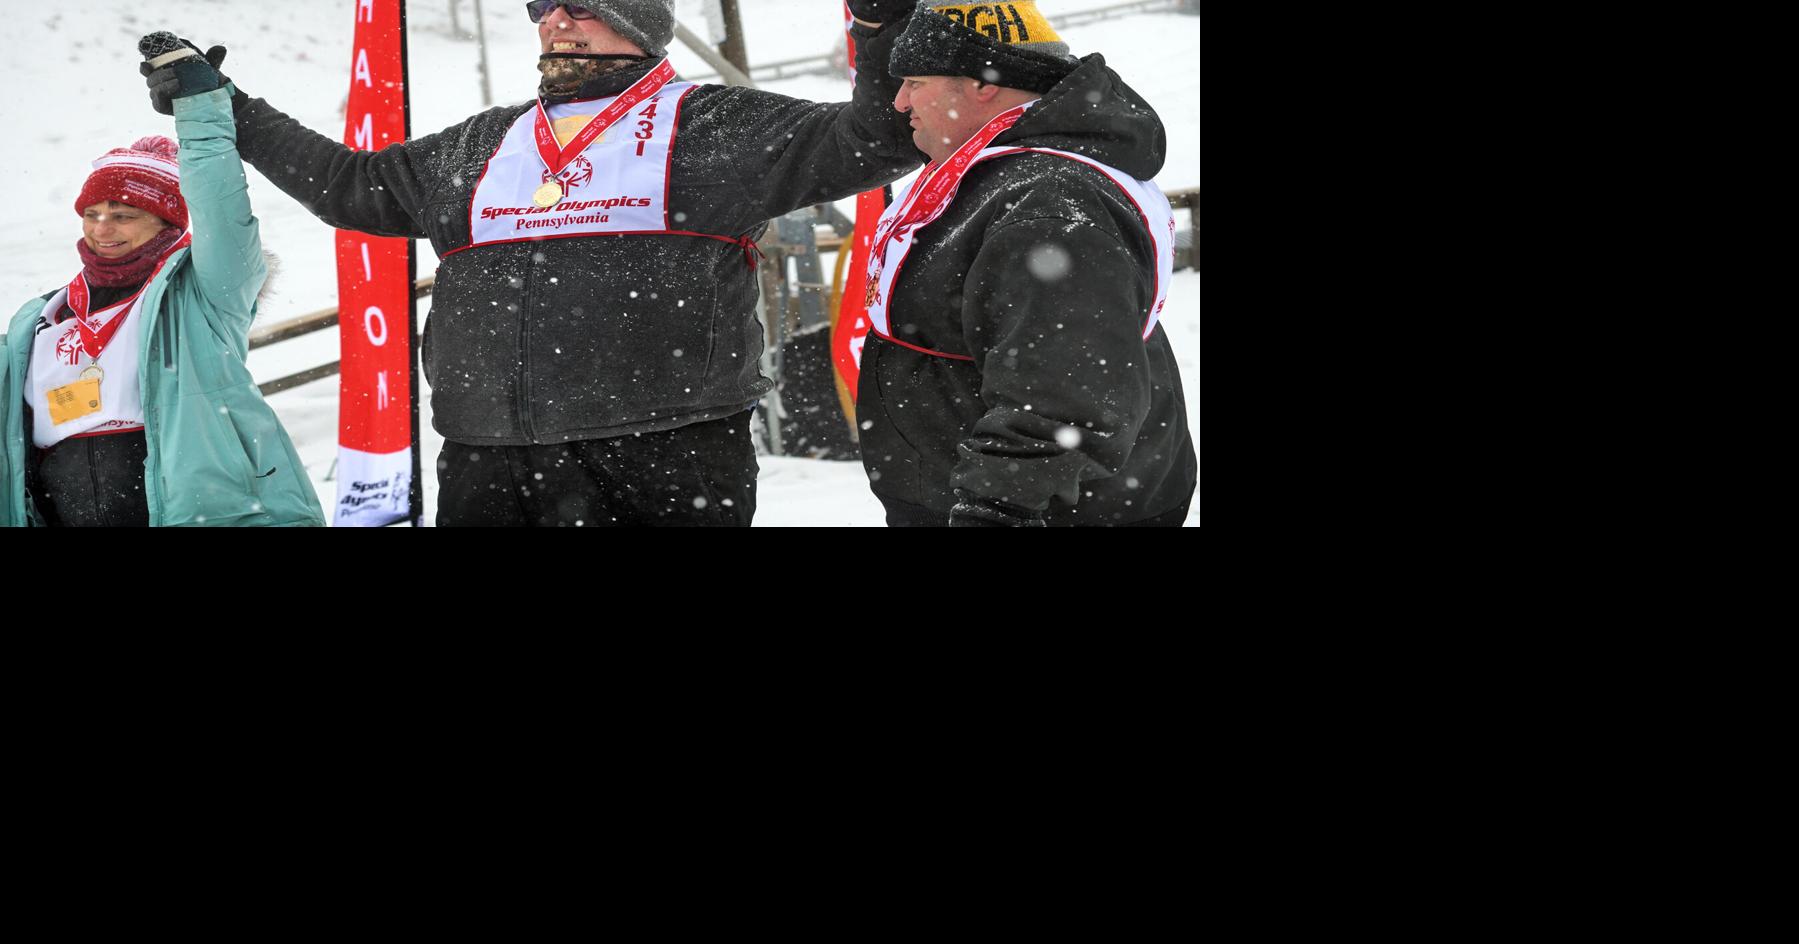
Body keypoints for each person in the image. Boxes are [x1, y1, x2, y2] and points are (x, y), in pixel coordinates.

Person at [143, 0, 921, 527]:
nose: (556, 20)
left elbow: (878, 138)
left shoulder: (716, 124)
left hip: (664, 451)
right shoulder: (484, 143)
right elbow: (354, 187)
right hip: (488, 456)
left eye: (581, 4)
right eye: (543, 6)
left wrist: (882, 23)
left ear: (638, 20)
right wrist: (231, 106)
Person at [856, 2, 1197, 526]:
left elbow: (1065, 401)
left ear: (983, 85)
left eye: (914, 82)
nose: (899, 102)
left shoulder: (1048, 208)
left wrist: (992, 508)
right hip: (1019, 496)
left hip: (1048, 511)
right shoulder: (1014, 157)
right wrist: (883, 30)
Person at [1, 53, 326, 528]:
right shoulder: (42, 319)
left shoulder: (203, 297)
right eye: (92, 213)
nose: (102, 228)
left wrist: (200, 111)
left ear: (166, 223)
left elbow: (221, 211)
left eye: (124, 215)